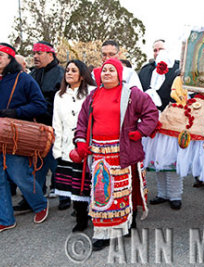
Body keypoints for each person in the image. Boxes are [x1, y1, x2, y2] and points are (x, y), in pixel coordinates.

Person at [74, 58, 158, 251]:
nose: (108, 73)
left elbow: (151, 113)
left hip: (124, 150)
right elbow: (82, 121)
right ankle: (104, 233)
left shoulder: (132, 94)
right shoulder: (93, 95)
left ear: (119, 74)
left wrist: (140, 131)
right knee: (102, 193)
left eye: (112, 70)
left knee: (124, 192)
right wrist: (80, 141)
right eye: (104, 70)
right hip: (99, 153)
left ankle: (125, 223)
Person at [0, 43, 49, 234]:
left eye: (0, 55)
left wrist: (17, 112)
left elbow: (40, 105)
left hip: (14, 135)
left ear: (10, 59)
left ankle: (40, 204)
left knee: (19, 175)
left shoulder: (23, 79)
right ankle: (4, 219)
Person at [14, 41, 69, 212]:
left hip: (53, 126)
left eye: (40, 52)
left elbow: (61, 101)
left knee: (56, 163)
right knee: (35, 165)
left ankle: (65, 195)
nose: (35, 56)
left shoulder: (61, 73)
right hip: (34, 127)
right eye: (34, 53)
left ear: (51, 55)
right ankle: (31, 197)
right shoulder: (32, 74)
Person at [138, 39, 183, 210]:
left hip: (172, 118)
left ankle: (175, 194)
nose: (158, 52)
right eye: (155, 49)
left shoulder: (178, 69)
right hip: (151, 119)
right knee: (157, 158)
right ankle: (162, 193)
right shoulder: (146, 70)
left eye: (161, 49)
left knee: (171, 159)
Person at [52, 60, 96, 232]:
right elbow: (57, 123)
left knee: (90, 183)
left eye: (73, 70)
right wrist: (57, 149)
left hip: (88, 144)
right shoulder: (59, 95)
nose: (69, 73)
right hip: (67, 146)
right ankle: (81, 218)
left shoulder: (92, 92)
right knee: (75, 186)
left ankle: (96, 213)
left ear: (82, 74)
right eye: (67, 70)